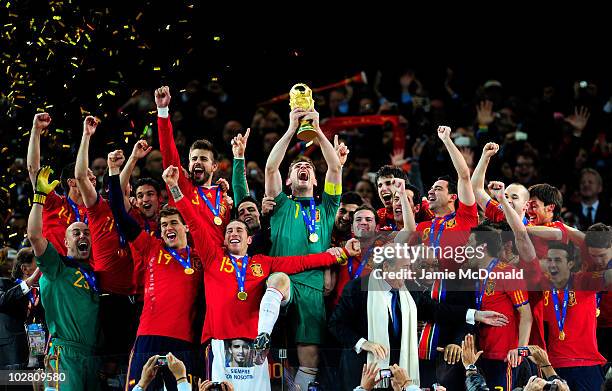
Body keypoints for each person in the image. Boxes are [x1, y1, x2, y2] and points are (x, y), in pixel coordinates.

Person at [164, 165, 360, 391]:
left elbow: (301, 262)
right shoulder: (213, 258)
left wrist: (340, 254)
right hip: (220, 341)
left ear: (249, 240)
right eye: (229, 231)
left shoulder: (262, 262)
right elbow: (194, 222)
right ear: (224, 241)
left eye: (239, 231)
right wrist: (174, 188)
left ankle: (263, 335)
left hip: (254, 347)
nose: (234, 233)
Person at [329, 245, 510, 390]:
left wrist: (476, 314)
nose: (409, 273)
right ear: (386, 267)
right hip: (361, 370)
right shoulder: (357, 289)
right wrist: (364, 343)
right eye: (405, 268)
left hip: (396, 374)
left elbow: (437, 309)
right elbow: (336, 324)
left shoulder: (407, 290)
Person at [500, 182, 612, 391]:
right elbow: (521, 236)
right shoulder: (540, 282)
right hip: (550, 366)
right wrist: (502, 201)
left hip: (587, 364)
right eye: (548, 261)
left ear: (571, 264)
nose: (552, 265)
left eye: (558, 261)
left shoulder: (583, 281)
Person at [264, 106, 345, 391]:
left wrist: (318, 130)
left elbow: (335, 167)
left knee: (309, 360)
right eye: (297, 168)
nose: (303, 168)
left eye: (308, 168)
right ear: (288, 181)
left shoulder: (328, 207)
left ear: (315, 181)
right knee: (268, 353)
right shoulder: (281, 204)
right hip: (280, 282)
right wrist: (291, 129)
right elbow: (271, 167)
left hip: (312, 287)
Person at [107, 152, 203, 391]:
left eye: (173, 223)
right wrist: (113, 172)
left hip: (183, 340)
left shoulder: (200, 256)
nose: (167, 228)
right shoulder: (151, 247)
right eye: (163, 225)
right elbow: (119, 213)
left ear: (186, 227)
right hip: (147, 336)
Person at [27, 166, 101, 391]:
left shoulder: (94, 276)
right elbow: (34, 235)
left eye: (86, 232)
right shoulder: (55, 266)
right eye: (76, 233)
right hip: (63, 354)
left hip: (92, 356)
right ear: (66, 243)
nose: (82, 235)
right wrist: (39, 198)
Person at [74, 116, 140, 369]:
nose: (125, 191)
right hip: (107, 298)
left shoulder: (136, 219)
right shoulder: (98, 209)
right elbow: (81, 176)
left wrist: (132, 160)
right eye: (121, 189)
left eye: (128, 190)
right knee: (109, 365)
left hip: (136, 300)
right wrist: (87, 135)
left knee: (133, 363)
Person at [155, 86, 230, 246]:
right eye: (194, 158)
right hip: (189, 261)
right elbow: (168, 151)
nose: (197, 162)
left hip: (217, 264)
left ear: (214, 166)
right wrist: (162, 110)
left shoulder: (223, 197)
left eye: (203, 158)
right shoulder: (181, 186)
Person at [464, 221, 532, 391]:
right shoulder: (474, 276)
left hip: (504, 357)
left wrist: (520, 349)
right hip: (481, 355)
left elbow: (526, 315)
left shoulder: (508, 272)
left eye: (470, 244)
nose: (465, 249)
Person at [27, 112, 95, 255]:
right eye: (88, 176)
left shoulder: (97, 210)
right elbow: (34, 170)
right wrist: (36, 130)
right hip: (56, 272)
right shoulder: (54, 203)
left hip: (88, 274)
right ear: (72, 181)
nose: (94, 179)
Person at [414, 126, 478, 272]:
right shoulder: (422, 227)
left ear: (452, 197)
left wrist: (447, 140)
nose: (430, 191)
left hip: (459, 288)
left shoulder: (465, 217)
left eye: (438, 188)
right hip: (429, 290)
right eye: (431, 188)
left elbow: (464, 175)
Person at [0, 248, 41, 370]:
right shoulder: (4, 284)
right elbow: (2, 300)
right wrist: (29, 282)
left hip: (37, 359)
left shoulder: (41, 291)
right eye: (38, 264)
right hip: (11, 361)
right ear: (25, 269)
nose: (42, 269)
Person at [584, 223, 612, 360]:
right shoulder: (586, 264)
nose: (598, 260)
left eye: (602, 255)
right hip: (594, 331)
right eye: (593, 255)